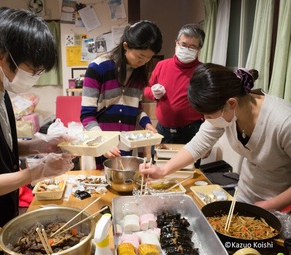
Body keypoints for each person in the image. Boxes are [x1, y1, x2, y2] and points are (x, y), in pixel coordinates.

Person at [0, 7, 74, 255]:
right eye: (32, 70)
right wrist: (39, 171)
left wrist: (39, 145)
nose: (36, 77)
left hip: (1, 213)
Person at [140, 63, 291, 212]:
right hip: (245, 196)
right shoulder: (228, 110)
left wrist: (270, 205)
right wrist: (162, 171)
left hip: (279, 207)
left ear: (231, 103)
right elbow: (197, 145)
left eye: (209, 115)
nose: (206, 119)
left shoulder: (284, 122)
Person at [80, 20, 163, 169]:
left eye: (149, 58)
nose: (143, 62)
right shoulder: (98, 68)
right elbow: (87, 115)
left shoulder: (139, 72)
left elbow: (135, 106)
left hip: (127, 146)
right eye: (140, 56)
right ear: (126, 46)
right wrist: (102, 143)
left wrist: (146, 123)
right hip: (100, 146)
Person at [143, 24, 205, 166]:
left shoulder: (202, 71)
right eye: (183, 44)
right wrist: (152, 93)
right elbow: (146, 89)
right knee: (158, 171)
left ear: (199, 49)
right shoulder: (162, 65)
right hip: (162, 129)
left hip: (191, 131)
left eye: (192, 46)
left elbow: (210, 105)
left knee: (188, 173)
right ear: (176, 43)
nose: (186, 49)